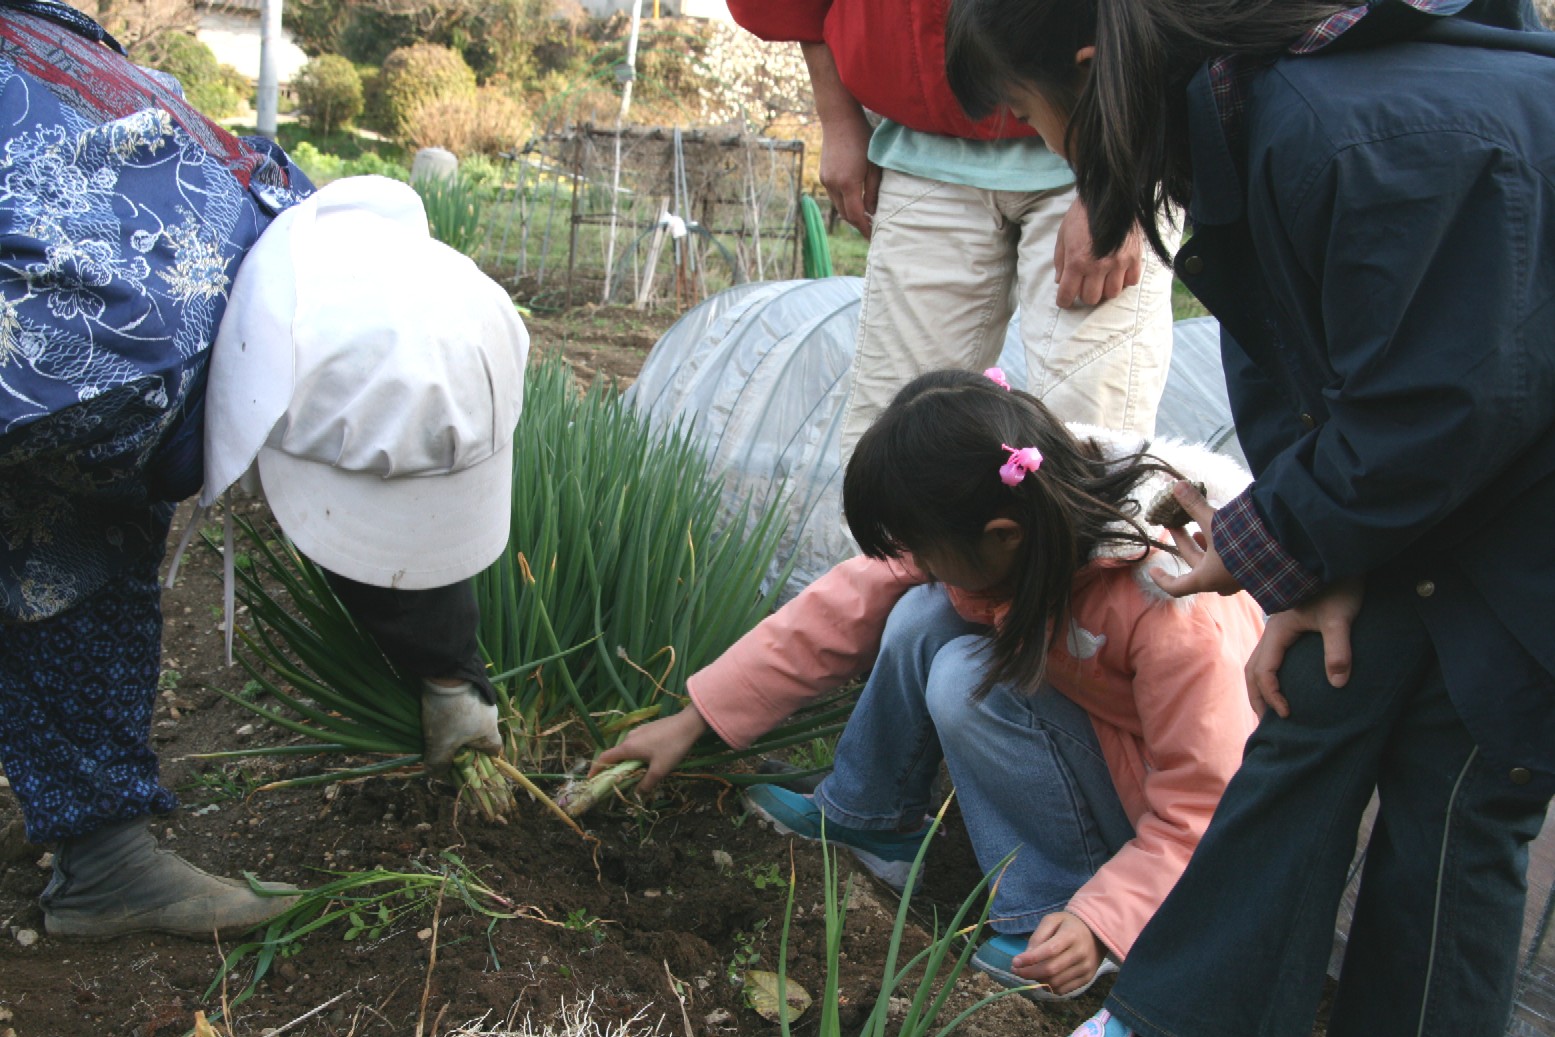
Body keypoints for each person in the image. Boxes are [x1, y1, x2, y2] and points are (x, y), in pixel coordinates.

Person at [942, 0, 1555, 1033]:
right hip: (1463, 473)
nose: (1037, 146)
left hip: (1510, 493)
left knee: (1458, 793)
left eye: (1021, 111)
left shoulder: (1343, 134)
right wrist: (1312, 569)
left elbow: (1438, 407)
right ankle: (1172, 1017)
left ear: (1088, 72)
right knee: (1314, 697)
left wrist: (1264, 543)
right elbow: (1292, 357)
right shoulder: (1243, 121)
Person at [0, 0, 527, 939]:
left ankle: (101, 858)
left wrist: (449, 672)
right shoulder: (92, 347)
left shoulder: (281, 217)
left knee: (84, 518)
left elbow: (361, 423)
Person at [595, 369, 1264, 999]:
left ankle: (1056, 908)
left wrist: (1104, 917)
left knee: (963, 677)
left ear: (1000, 537)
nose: (906, 557)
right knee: (920, 610)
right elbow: (844, 604)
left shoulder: (1173, 605)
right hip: (1107, 749)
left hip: (1166, 826)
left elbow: (1208, 806)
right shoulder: (1020, 511)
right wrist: (693, 720)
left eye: (919, 543)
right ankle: (872, 815)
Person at [723, 0, 1178, 457]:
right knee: (896, 436)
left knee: (1092, 435)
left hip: (1096, 123)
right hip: (921, 139)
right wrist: (836, 113)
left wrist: (1119, 178)